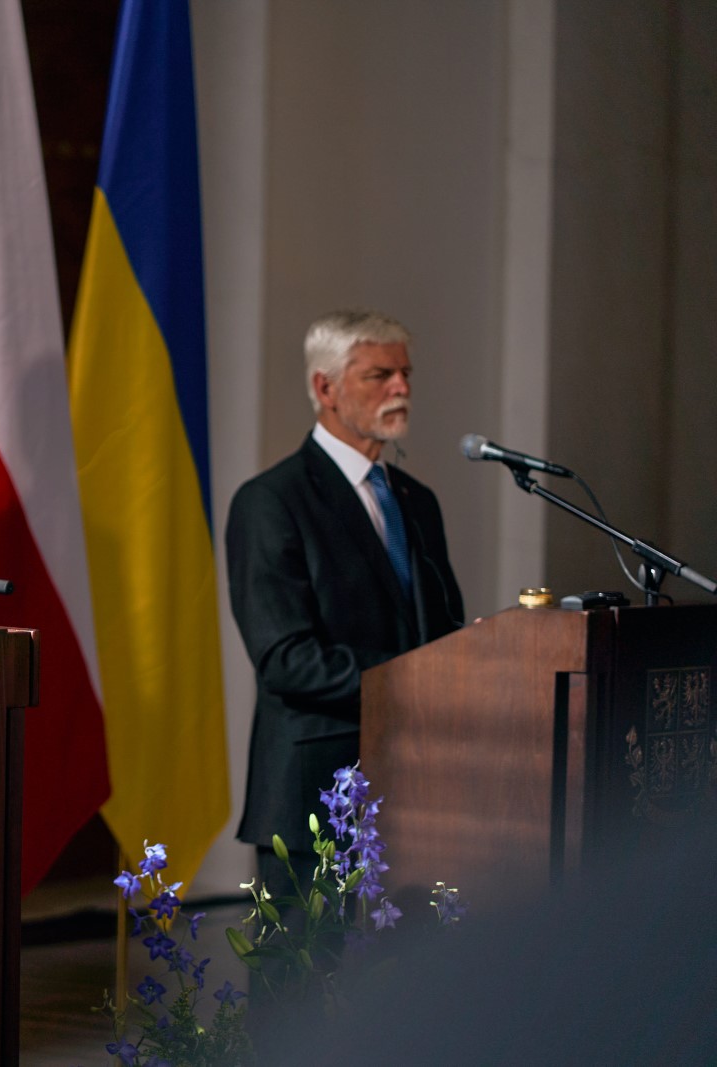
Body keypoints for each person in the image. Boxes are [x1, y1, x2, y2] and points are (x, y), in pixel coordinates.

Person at [225, 309, 463, 902]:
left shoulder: (416, 501)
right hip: (315, 800)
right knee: (311, 965)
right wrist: (415, 680)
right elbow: (286, 660)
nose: (401, 387)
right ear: (325, 388)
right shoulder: (271, 501)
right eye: (380, 374)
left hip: (417, 794)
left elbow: (440, 630)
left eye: (405, 373)